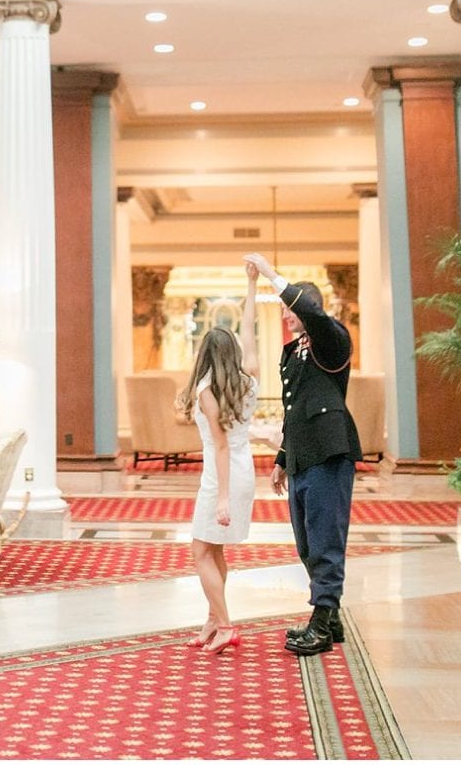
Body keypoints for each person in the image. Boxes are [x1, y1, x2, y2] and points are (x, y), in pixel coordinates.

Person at [245, 253, 360, 657]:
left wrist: (271, 274)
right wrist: (280, 458)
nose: (286, 316)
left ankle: (320, 620)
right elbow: (295, 410)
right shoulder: (293, 352)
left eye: (289, 310)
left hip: (330, 451)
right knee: (307, 542)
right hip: (301, 455)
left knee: (326, 536)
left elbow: (309, 310)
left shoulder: (333, 340)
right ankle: (331, 617)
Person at [182, 263, 262, 655]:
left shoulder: (206, 390)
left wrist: (223, 497)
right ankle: (212, 620)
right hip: (243, 470)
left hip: (222, 475)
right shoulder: (248, 379)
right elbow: (249, 329)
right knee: (215, 551)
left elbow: (220, 445)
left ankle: (226, 624)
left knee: (200, 551)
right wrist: (251, 284)